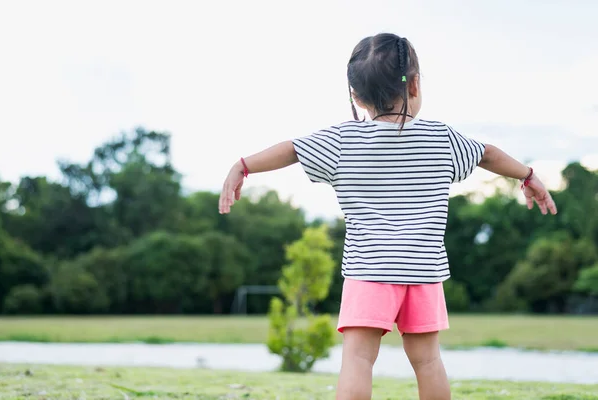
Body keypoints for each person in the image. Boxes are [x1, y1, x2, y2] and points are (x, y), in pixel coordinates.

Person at [218, 33, 557, 400]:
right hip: (423, 271)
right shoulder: (441, 139)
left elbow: (292, 150)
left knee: (358, 359)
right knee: (428, 361)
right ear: (413, 84)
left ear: (356, 96)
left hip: (369, 270)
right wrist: (527, 176)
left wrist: (244, 167)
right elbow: (488, 154)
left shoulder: (342, 142)